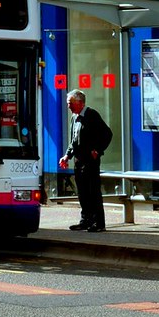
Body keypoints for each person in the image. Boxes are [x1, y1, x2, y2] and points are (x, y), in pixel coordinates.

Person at [58, 89, 112, 232]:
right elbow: (73, 141)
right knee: (82, 193)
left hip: (90, 160)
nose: (68, 106)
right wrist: (66, 156)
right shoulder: (74, 118)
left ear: (80, 103)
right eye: (68, 103)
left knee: (93, 191)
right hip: (78, 160)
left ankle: (99, 223)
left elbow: (107, 134)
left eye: (70, 103)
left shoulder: (91, 115)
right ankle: (85, 220)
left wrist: (98, 150)